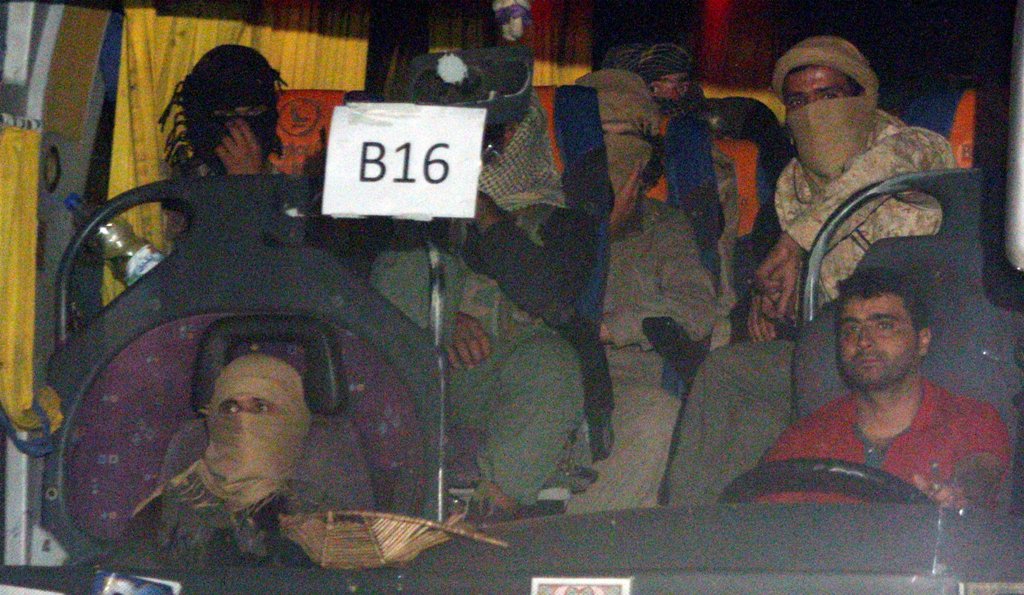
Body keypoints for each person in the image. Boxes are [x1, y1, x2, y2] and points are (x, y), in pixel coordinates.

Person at [662, 35, 956, 505]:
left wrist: (798, 239)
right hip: (829, 346)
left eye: (830, 96)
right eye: (799, 101)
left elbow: (874, 176)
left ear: (863, 97)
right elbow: (804, 295)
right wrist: (771, 303)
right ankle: (691, 532)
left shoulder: (915, 147)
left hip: (919, 351)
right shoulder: (791, 185)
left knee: (815, 360)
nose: (814, 111)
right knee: (727, 373)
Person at [372, 47, 590, 519]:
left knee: (553, 365)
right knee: (414, 267)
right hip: (397, 368)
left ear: (511, 137)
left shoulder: (560, 221)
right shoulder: (387, 200)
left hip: (491, 379)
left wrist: (482, 211)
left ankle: (488, 519)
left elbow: (551, 297)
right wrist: (445, 317)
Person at [763, 268, 1010, 508]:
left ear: (922, 340)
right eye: (851, 330)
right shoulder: (807, 438)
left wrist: (956, 494)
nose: (864, 341)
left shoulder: (970, 420)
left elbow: (980, 473)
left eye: (884, 326)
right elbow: (760, 523)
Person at [577, 43, 736, 387]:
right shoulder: (545, 215)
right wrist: (601, 236)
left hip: (633, 375)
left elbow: (698, 306)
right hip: (557, 371)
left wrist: (614, 327)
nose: (613, 152)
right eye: (603, 136)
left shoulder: (665, 224)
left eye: (626, 136)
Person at [110, 354, 360, 567]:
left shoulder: (324, 517)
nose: (242, 421)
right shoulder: (168, 508)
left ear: (292, 420)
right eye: (230, 408)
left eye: (260, 408)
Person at [160, 44, 285, 178]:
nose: (241, 128)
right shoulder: (176, 187)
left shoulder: (292, 190)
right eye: (225, 113)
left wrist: (250, 183)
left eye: (253, 112)